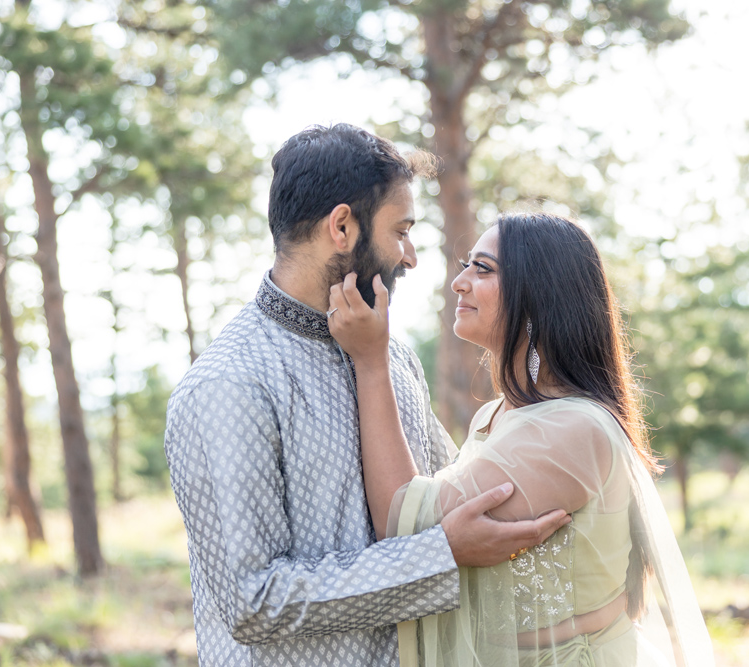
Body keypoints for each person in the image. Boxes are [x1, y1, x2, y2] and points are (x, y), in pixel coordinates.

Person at [163, 125, 570, 667]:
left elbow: (445, 499)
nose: (411, 256)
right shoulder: (229, 385)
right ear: (342, 226)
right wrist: (438, 557)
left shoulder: (392, 358)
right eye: (401, 231)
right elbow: (253, 600)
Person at [328, 212, 715, 666]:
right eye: (467, 265)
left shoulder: (571, 430)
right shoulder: (498, 415)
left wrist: (372, 363)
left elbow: (401, 520)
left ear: (538, 299)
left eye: (483, 269)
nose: (460, 282)